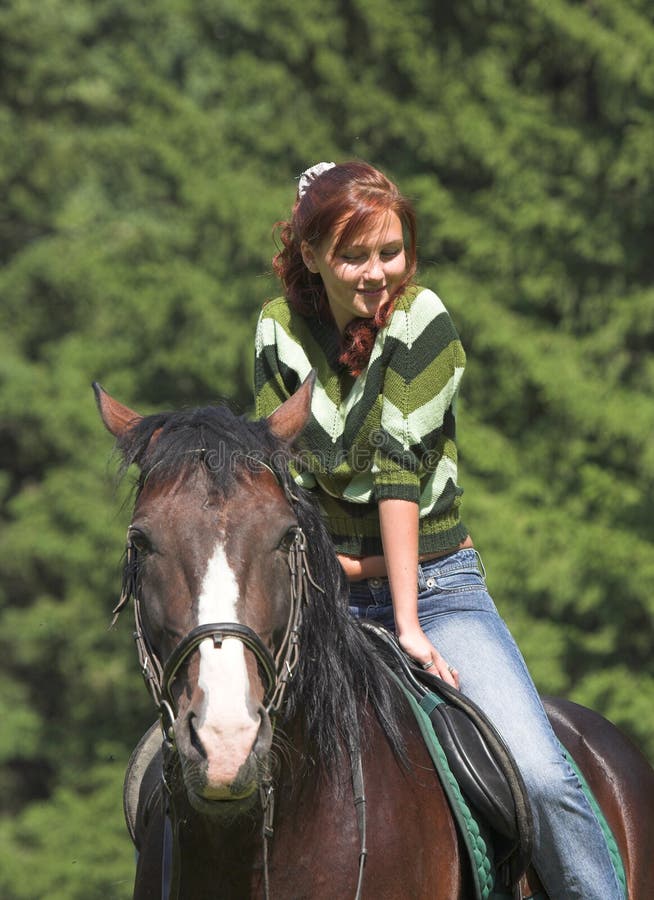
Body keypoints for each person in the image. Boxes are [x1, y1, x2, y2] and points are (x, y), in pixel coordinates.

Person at [253, 160, 624, 899]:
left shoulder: (424, 319)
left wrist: (407, 621)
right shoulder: (276, 330)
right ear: (310, 255)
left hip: (432, 589)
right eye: (353, 255)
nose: (376, 273)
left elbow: (397, 472)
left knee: (542, 775)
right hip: (319, 594)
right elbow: (281, 478)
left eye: (389, 251)